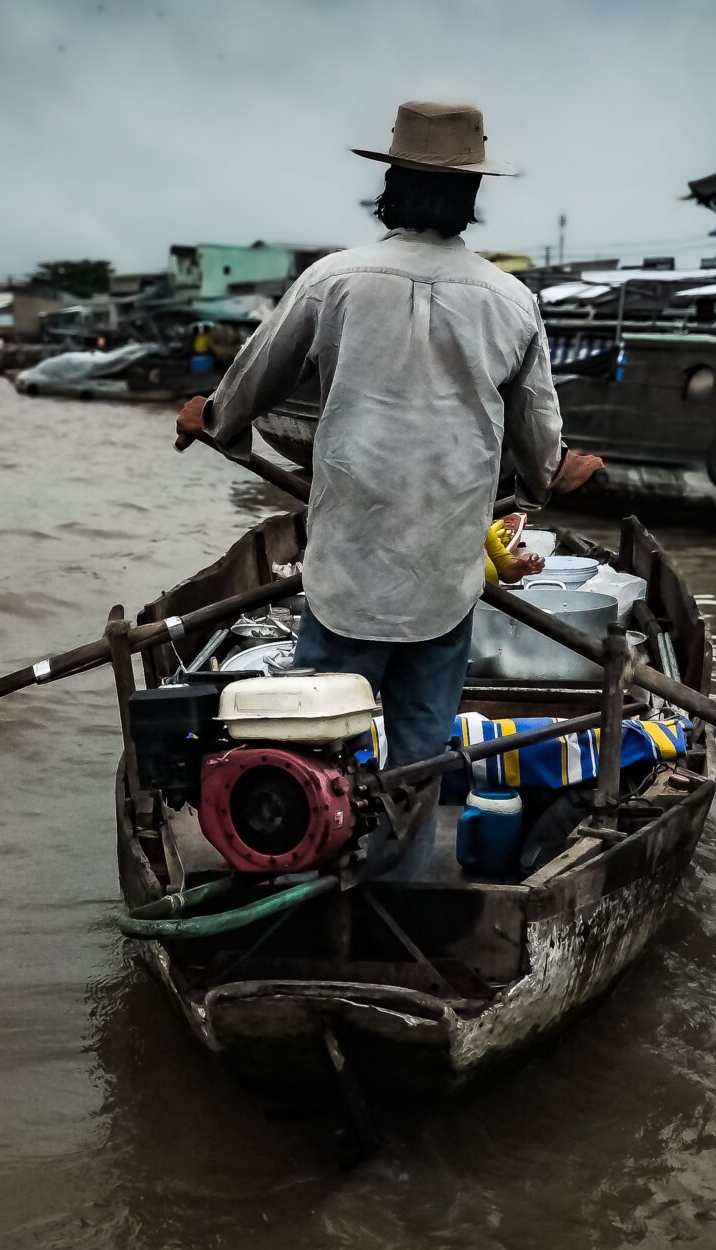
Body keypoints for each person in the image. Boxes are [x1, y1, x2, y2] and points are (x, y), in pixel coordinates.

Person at [174, 100, 605, 767]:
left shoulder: (332, 280)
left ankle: (319, 857)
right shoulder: (511, 301)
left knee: (314, 756)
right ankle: (397, 860)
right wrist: (553, 473)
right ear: (471, 197)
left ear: (390, 192)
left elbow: (250, 383)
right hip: (443, 580)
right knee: (417, 764)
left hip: (347, 572)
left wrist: (213, 418)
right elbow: (538, 446)